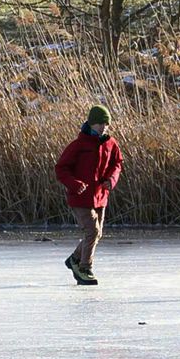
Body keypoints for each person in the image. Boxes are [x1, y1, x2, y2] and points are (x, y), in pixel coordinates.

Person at [54, 105, 124, 286]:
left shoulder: (111, 143)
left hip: (100, 195)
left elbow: (117, 164)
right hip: (80, 197)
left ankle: (74, 259)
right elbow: (61, 168)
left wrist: (111, 179)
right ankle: (85, 268)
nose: (103, 127)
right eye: (100, 123)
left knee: (97, 233)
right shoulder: (79, 145)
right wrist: (74, 184)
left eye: (106, 124)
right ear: (91, 123)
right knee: (92, 231)